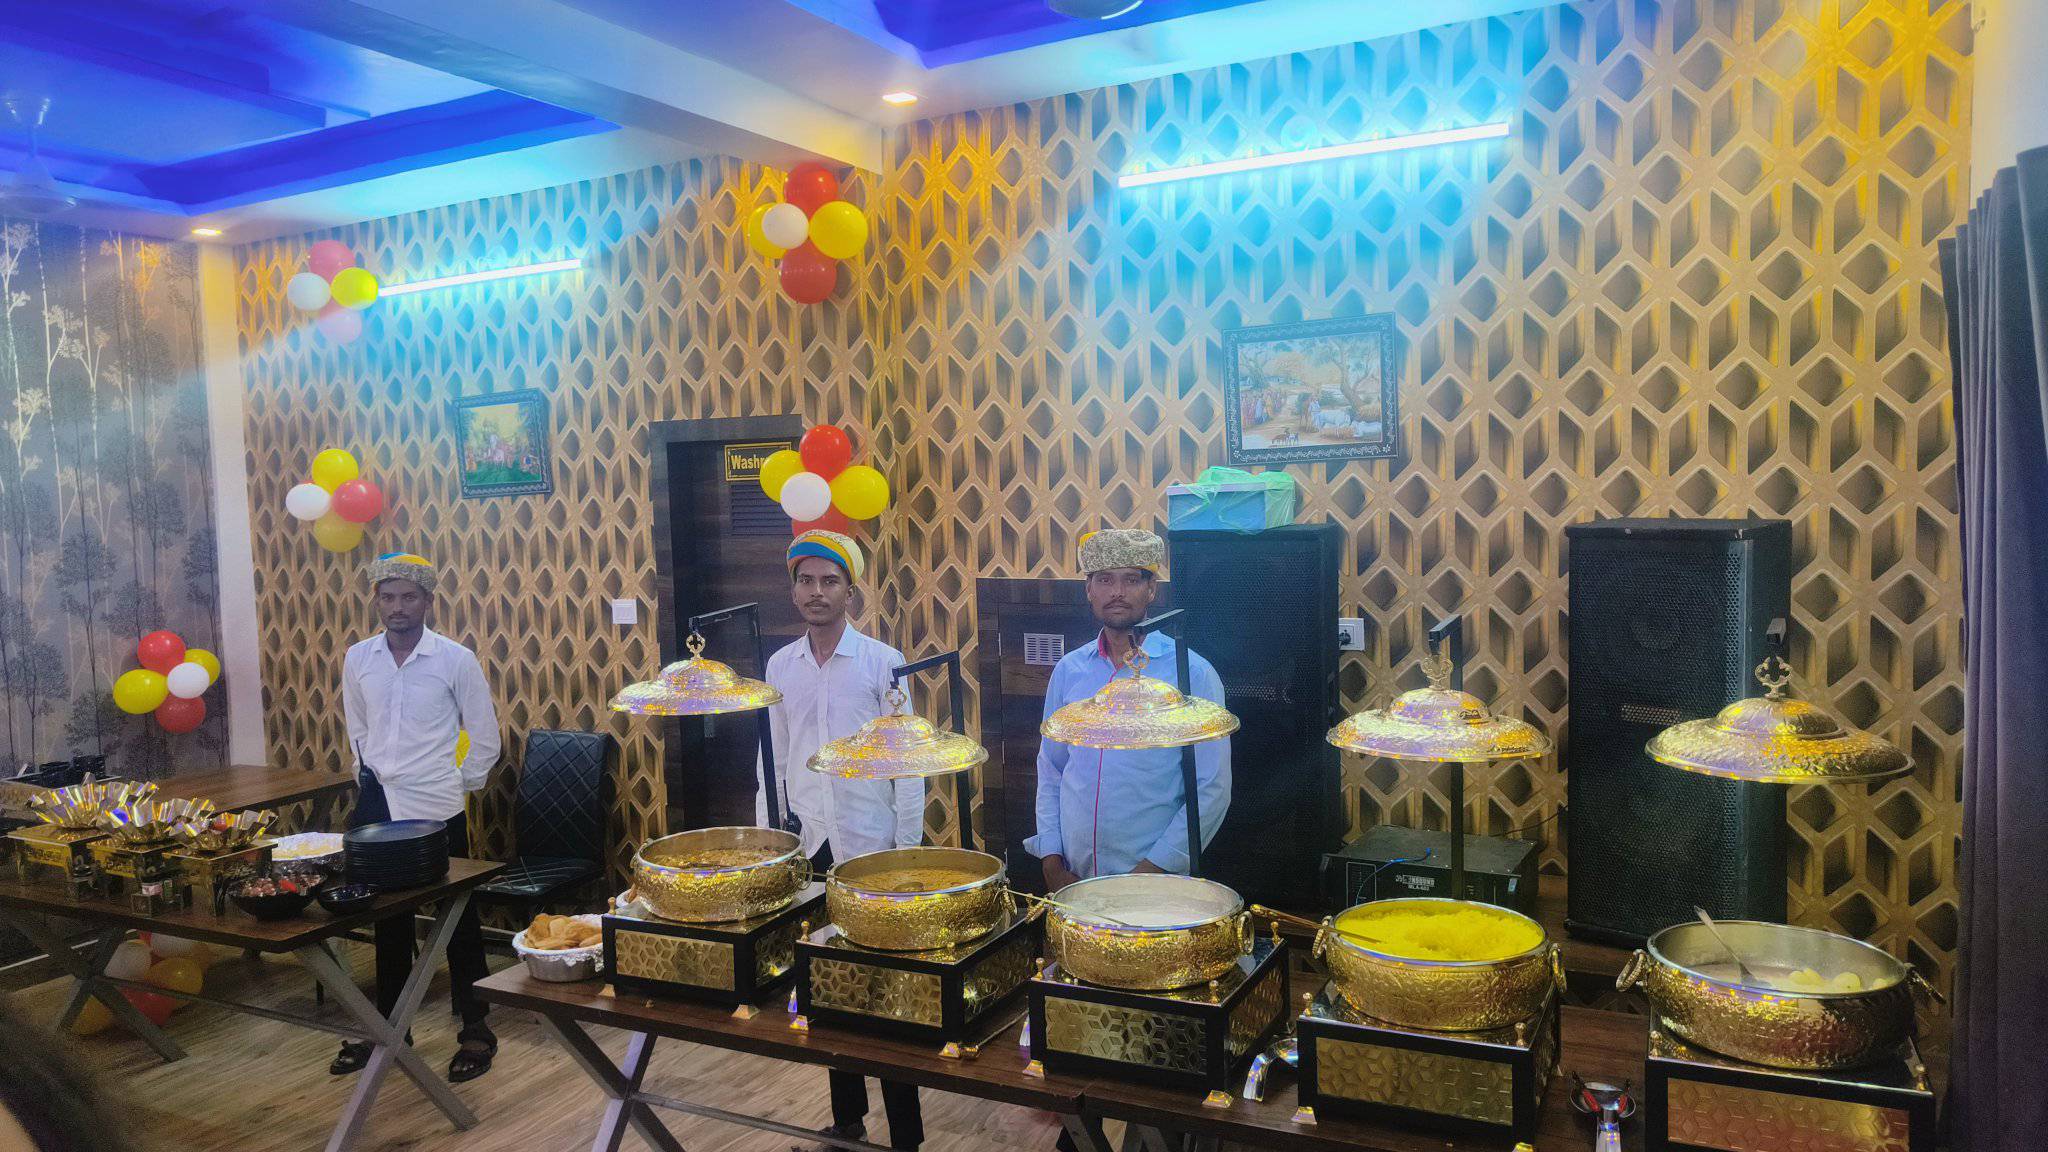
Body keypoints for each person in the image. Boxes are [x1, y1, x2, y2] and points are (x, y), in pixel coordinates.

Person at [758, 530, 924, 1152]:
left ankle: (906, 1136)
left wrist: (906, 850)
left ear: (851, 592)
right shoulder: (780, 666)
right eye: (806, 580)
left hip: (872, 842)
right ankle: (848, 1120)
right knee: (826, 981)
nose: (817, 592)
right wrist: (772, 839)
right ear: (793, 590)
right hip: (811, 842)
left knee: (886, 990)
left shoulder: (883, 662)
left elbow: (909, 760)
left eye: (830, 581)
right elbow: (772, 760)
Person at [333, 551, 503, 1082]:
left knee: (458, 920)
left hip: (437, 806)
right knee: (386, 918)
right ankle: (389, 1030)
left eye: (408, 597)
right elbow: (357, 727)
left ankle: (476, 1030)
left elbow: (485, 735)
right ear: (376, 600)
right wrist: (368, 776)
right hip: (379, 803)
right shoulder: (359, 658)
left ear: (428, 601)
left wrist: (457, 783)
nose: (397, 607)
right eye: (388, 597)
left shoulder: (454, 659)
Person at [1026, 528, 1231, 889]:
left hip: (1155, 882)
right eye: (1105, 579)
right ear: (1089, 589)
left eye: (1131, 580)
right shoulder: (1070, 670)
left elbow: (1211, 787)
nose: (1117, 592)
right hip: (1073, 878)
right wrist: (1052, 860)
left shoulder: (1191, 673)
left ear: (1152, 589)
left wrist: (1150, 872)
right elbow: (1052, 767)